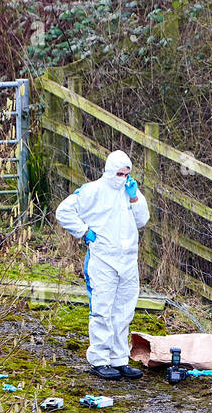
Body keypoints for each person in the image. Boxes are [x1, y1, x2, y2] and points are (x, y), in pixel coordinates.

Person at [55, 150, 150, 380]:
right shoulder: (92, 191)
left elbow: (142, 220)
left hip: (128, 260)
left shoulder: (131, 192)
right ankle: (99, 359)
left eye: (127, 173)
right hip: (103, 259)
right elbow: (63, 211)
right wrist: (84, 232)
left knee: (124, 310)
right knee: (102, 310)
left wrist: (135, 197)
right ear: (109, 171)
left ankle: (119, 359)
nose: (123, 178)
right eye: (119, 173)